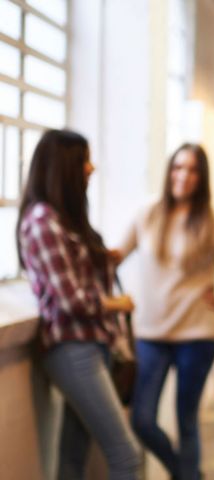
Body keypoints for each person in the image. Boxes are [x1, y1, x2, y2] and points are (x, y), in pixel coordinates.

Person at [16, 129, 142, 479]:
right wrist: (117, 304)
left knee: (73, 458)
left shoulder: (62, 219)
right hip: (73, 349)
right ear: (64, 166)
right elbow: (70, 299)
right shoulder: (43, 221)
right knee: (127, 455)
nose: (91, 168)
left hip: (90, 345)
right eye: (84, 160)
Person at [115, 143, 214, 480]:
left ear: (202, 177)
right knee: (142, 419)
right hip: (150, 335)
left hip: (198, 336)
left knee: (186, 421)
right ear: (169, 172)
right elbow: (115, 257)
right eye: (178, 168)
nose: (183, 176)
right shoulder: (147, 215)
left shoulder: (213, 221)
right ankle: (188, 475)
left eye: (193, 170)